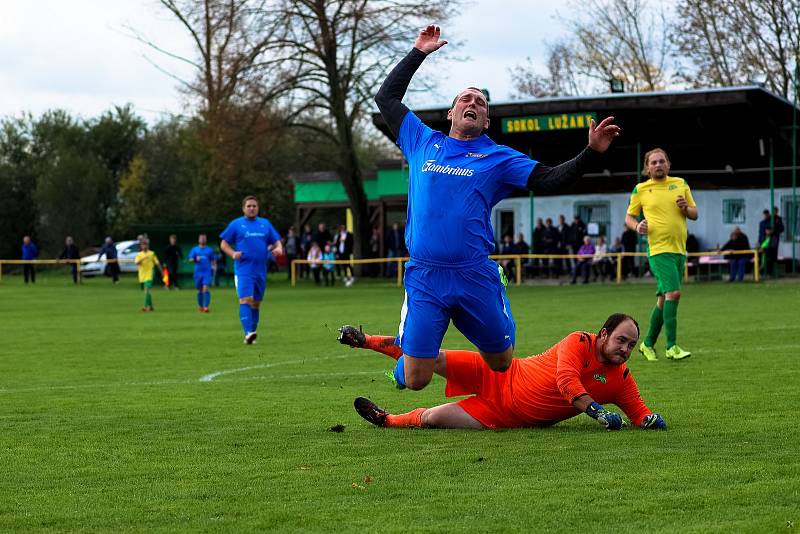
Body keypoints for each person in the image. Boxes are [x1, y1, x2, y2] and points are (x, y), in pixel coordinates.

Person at [374, 24, 620, 391]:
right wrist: (418, 52)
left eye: (480, 103)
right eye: (465, 99)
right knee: (415, 381)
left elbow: (550, 179)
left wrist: (590, 154)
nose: (471, 103)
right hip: (426, 276)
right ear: (451, 113)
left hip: (474, 275)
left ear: (486, 121)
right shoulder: (421, 140)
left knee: (502, 362)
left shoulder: (498, 157)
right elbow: (386, 99)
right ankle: (409, 359)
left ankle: (495, 287)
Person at [339, 314, 666, 431]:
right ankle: (364, 340)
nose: (625, 349)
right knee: (430, 357)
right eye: (622, 340)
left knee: (431, 420)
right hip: (499, 373)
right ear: (604, 334)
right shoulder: (579, 341)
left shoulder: (620, 378)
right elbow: (566, 382)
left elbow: (639, 412)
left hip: (503, 415)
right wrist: (597, 412)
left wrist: (650, 421)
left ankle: (387, 420)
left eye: (632, 345)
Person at [625, 148, 698, 362]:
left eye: (661, 161)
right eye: (653, 162)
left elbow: (695, 213)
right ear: (647, 168)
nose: (658, 165)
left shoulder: (680, 184)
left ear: (668, 164)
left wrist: (686, 208)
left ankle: (647, 344)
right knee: (673, 294)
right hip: (658, 250)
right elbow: (629, 218)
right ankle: (671, 346)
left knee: (662, 300)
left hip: (678, 250)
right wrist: (637, 226)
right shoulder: (641, 189)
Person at [220, 196, 283, 344]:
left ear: (258, 208)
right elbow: (224, 244)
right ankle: (248, 333)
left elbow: (277, 242)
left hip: (260, 270)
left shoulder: (265, 224)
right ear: (243, 208)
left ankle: (252, 333)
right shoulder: (236, 224)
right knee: (245, 300)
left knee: (256, 303)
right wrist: (233, 253)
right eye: (248, 206)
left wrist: (279, 248)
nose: (252, 208)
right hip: (244, 270)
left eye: (254, 206)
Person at [188, 234, 217, 312]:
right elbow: (190, 259)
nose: (203, 240)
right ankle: (201, 307)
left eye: (204, 238)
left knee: (205, 289)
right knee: (199, 290)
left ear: (206, 240)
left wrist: (214, 267)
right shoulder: (195, 249)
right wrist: (195, 259)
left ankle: (206, 307)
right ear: (199, 240)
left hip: (207, 272)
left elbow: (213, 260)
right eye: (201, 238)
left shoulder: (209, 250)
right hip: (198, 272)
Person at [135, 238, 162, 312]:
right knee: (147, 291)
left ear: (148, 246)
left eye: (145, 245)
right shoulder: (139, 254)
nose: (144, 246)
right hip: (142, 275)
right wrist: (142, 259)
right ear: (141, 246)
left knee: (147, 290)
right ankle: (151, 306)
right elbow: (137, 263)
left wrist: (161, 272)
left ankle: (145, 307)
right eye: (143, 245)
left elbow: (157, 263)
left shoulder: (152, 253)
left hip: (150, 274)